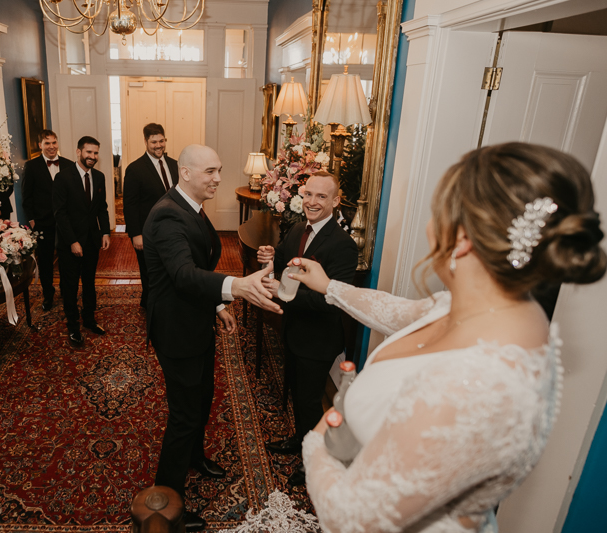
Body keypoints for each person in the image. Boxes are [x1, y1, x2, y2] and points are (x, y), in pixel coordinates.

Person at [280, 143, 606, 532]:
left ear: (462, 237)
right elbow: (392, 309)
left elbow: (352, 518)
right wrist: (330, 286)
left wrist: (320, 435)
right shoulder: (478, 306)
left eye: (436, 213)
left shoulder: (478, 381)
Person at [143, 144, 282, 531]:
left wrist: (217, 307)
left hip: (196, 319)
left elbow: (201, 267)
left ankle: (195, 458)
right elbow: (185, 276)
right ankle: (167, 502)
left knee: (202, 396)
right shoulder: (167, 216)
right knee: (183, 415)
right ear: (185, 173)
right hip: (175, 329)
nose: (218, 178)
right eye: (209, 172)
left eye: (219, 170)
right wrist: (236, 288)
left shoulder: (192, 209)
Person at [256, 171, 358, 487]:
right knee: (298, 395)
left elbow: (330, 300)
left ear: (336, 201)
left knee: (310, 401)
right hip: (294, 330)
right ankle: (300, 441)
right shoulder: (299, 228)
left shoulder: (343, 246)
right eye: (309, 194)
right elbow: (287, 261)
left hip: (318, 338)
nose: (312, 202)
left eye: (321, 196)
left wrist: (282, 294)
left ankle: (314, 460)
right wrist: (271, 257)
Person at [53, 136, 111, 347]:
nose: (92, 157)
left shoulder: (100, 176)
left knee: (89, 283)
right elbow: (60, 214)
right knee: (69, 287)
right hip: (70, 244)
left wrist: (105, 232)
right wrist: (72, 242)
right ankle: (73, 328)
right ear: (78, 152)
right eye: (89, 152)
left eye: (95, 153)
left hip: (92, 241)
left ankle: (89, 320)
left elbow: (101, 207)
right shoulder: (63, 178)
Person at [123, 123, 179, 308]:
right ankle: (150, 307)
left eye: (161, 140)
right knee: (149, 272)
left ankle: (167, 303)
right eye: (154, 141)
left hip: (172, 229)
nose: (158, 145)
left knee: (171, 268)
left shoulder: (174, 165)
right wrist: (136, 234)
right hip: (148, 232)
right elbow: (130, 205)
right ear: (146, 142)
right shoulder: (135, 169)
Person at [21, 129, 74, 311]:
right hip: (43, 223)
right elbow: (26, 198)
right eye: (47, 143)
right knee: (45, 263)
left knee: (67, 260)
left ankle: (68, 291)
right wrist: (32, 221)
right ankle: (48, 295)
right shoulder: (31, 166)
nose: (51, 147)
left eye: (54, 142)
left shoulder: (69, 165)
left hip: (65, 223)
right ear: (40, 145)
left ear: (57, 143)